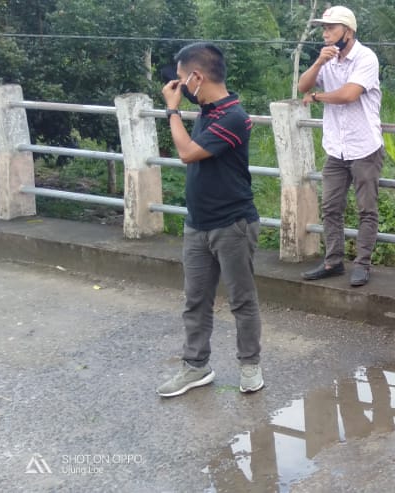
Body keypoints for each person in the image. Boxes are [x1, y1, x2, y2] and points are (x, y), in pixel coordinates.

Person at [156, 42, 264, 397]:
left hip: (232, 225)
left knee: (242, 301)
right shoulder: (207, 109)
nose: (180, 87)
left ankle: (250, 366)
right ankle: (196, 366)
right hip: (197, 223)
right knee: (195, 300)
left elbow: (187, 153)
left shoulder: (234, 115)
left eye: (182, 79)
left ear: (197, 77)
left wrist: (171, 111)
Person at [298, 5, 383, 287]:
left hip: (364, 147)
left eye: (331, 28)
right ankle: (333, 261)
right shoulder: (328, 60)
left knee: (366, 210)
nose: (326, 33)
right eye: (324, 28)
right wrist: (319, 63)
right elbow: (302, 86)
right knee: (331, 207)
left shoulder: (366, 58)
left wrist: (318, 97)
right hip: (336, 148)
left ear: (348, 31)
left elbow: (349, 95)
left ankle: (363, 264)